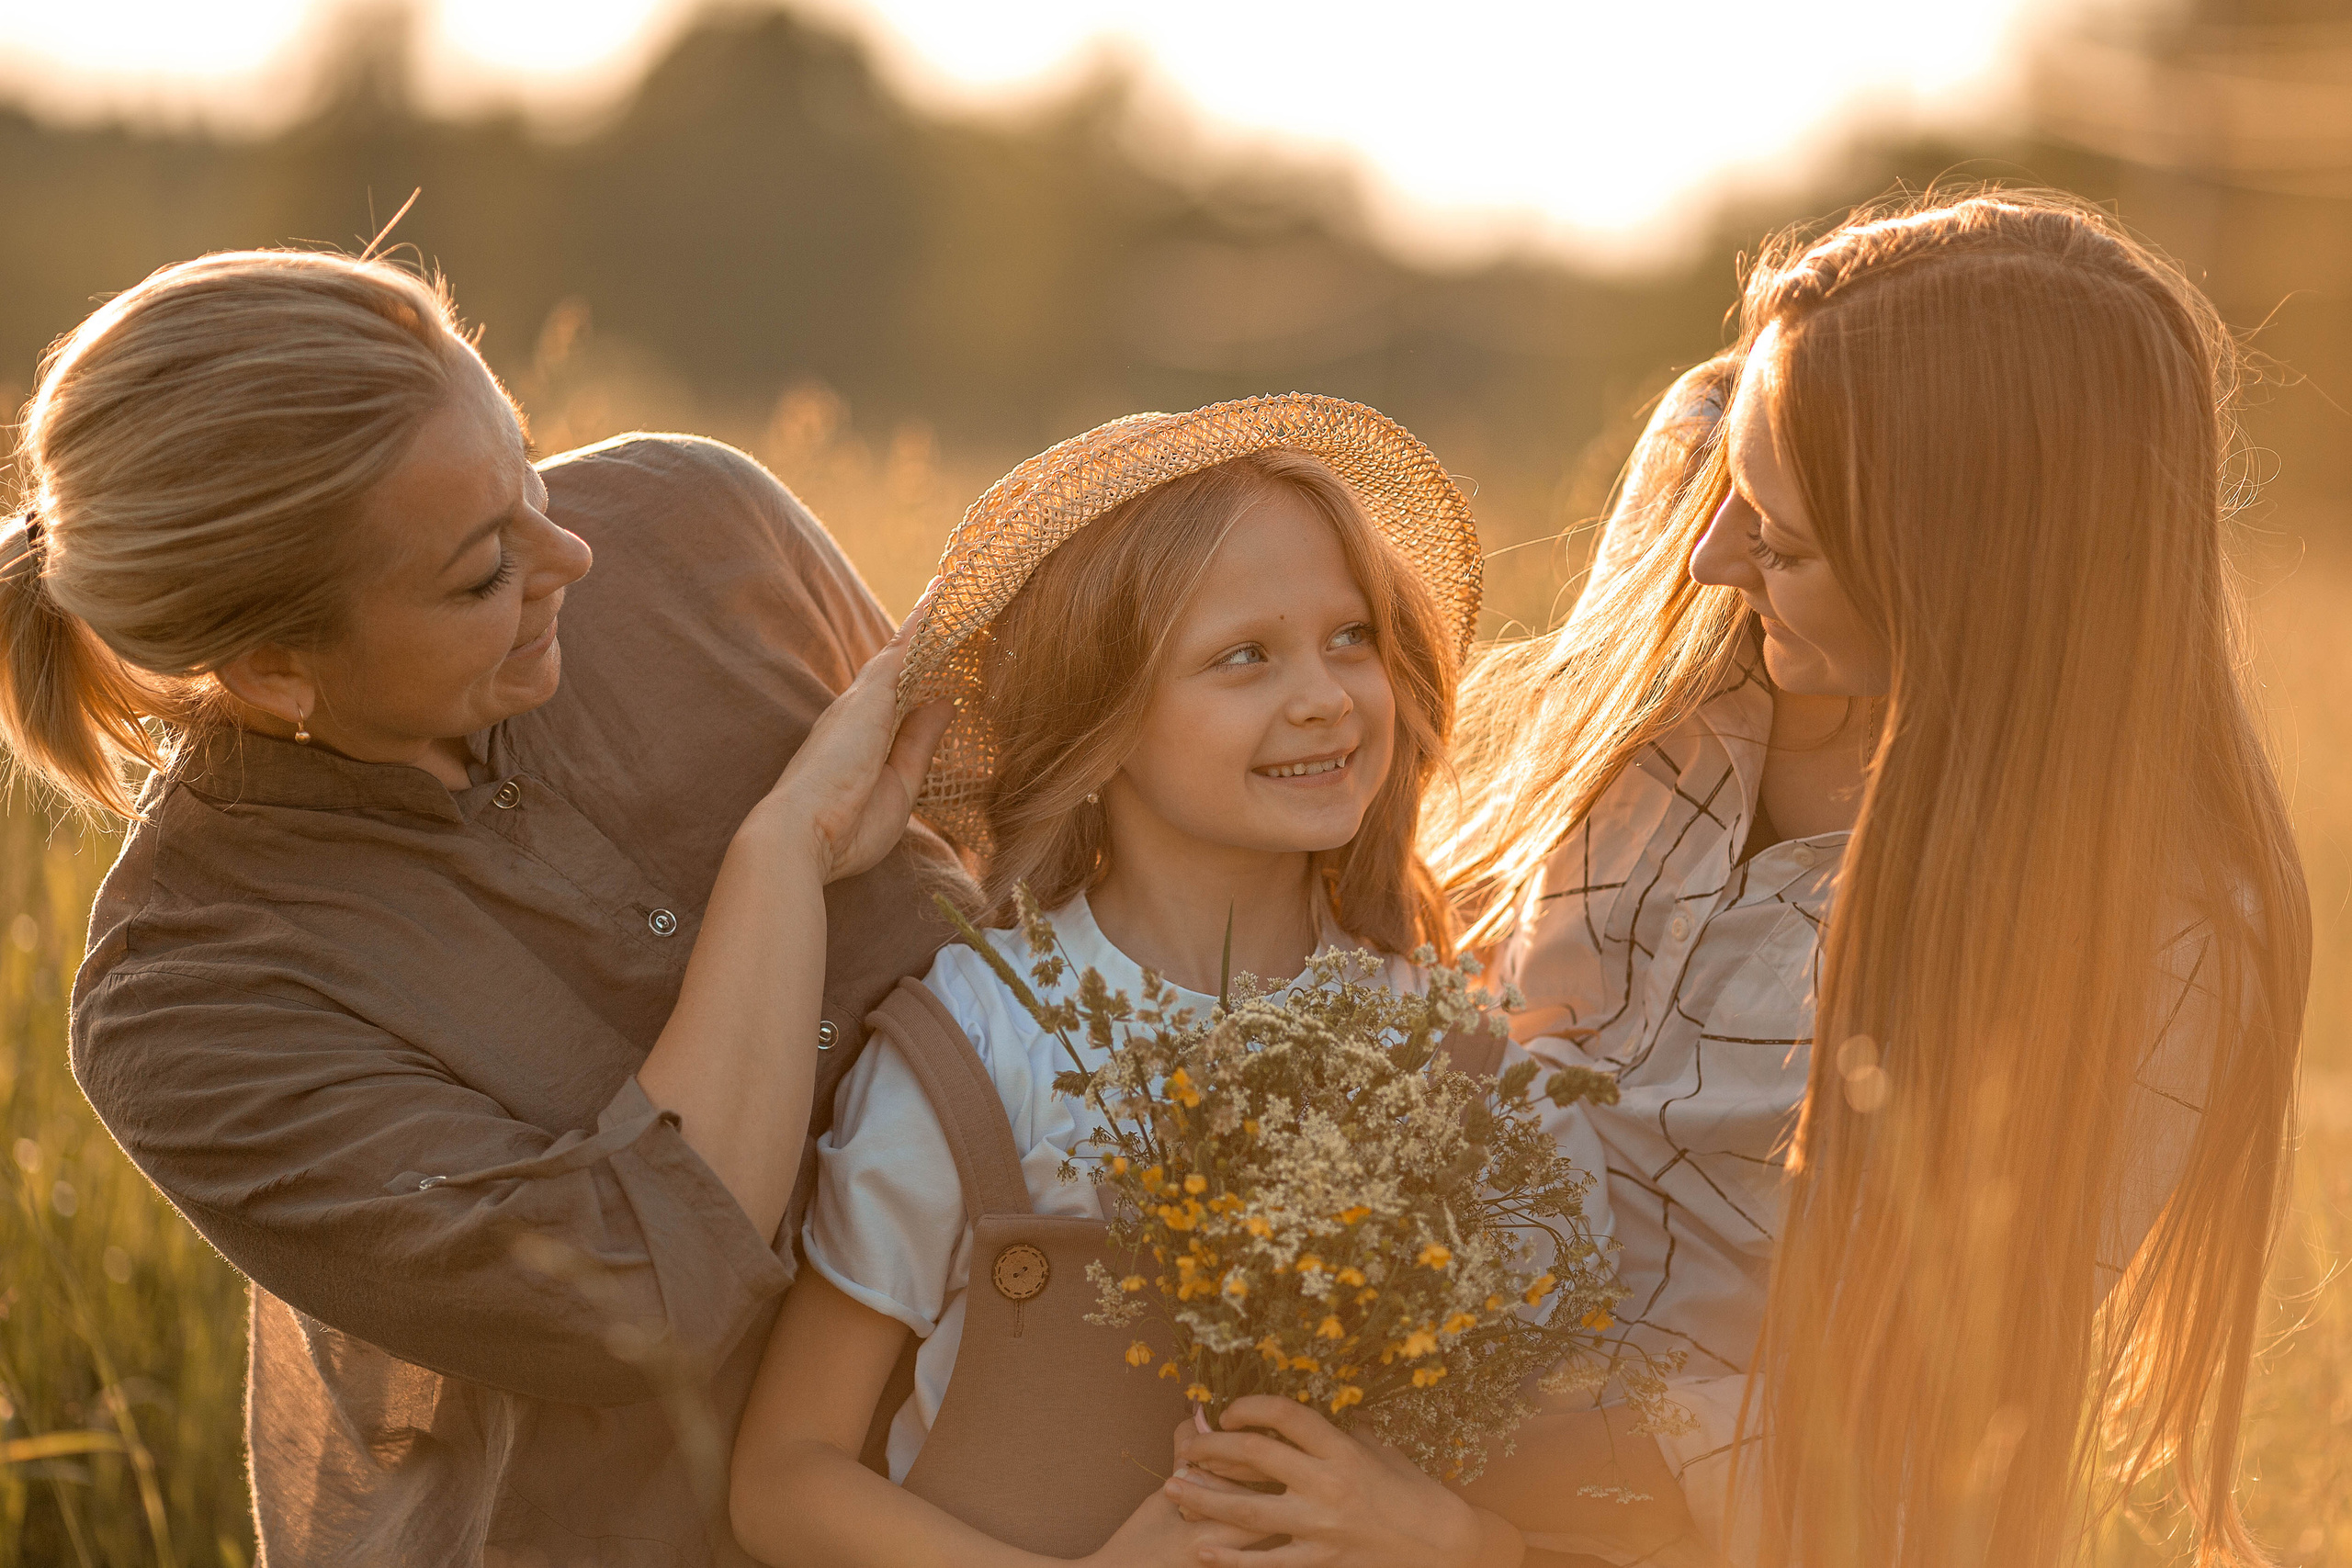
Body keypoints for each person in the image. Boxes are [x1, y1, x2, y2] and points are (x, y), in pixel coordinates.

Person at [1172, 192, 2309, 1567]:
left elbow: (1898, 1466)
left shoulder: (2150, 940)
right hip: (1320, 1411)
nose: (1714, 559)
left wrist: (1458, 1531)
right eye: (1731, 502)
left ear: (1960, 572)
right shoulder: (1684, 699)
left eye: (1785, 538)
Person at [0, 248, 961, 1565]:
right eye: (477, 572)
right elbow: (643, 1291)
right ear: (276, 666)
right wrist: (778, 858)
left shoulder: (699, 519)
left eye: (528, 462)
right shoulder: (194, 1000)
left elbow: (1019, 888)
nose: (570, 549)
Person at [726, 397, 1530, 1567]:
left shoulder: (1439, 1037)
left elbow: (1537, 1466)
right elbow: (782, 1482)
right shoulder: (987, 1041)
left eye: (1349, 636)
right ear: (1098, 730)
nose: (1322, 694)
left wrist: (1454, 1540)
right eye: (1243, 656)